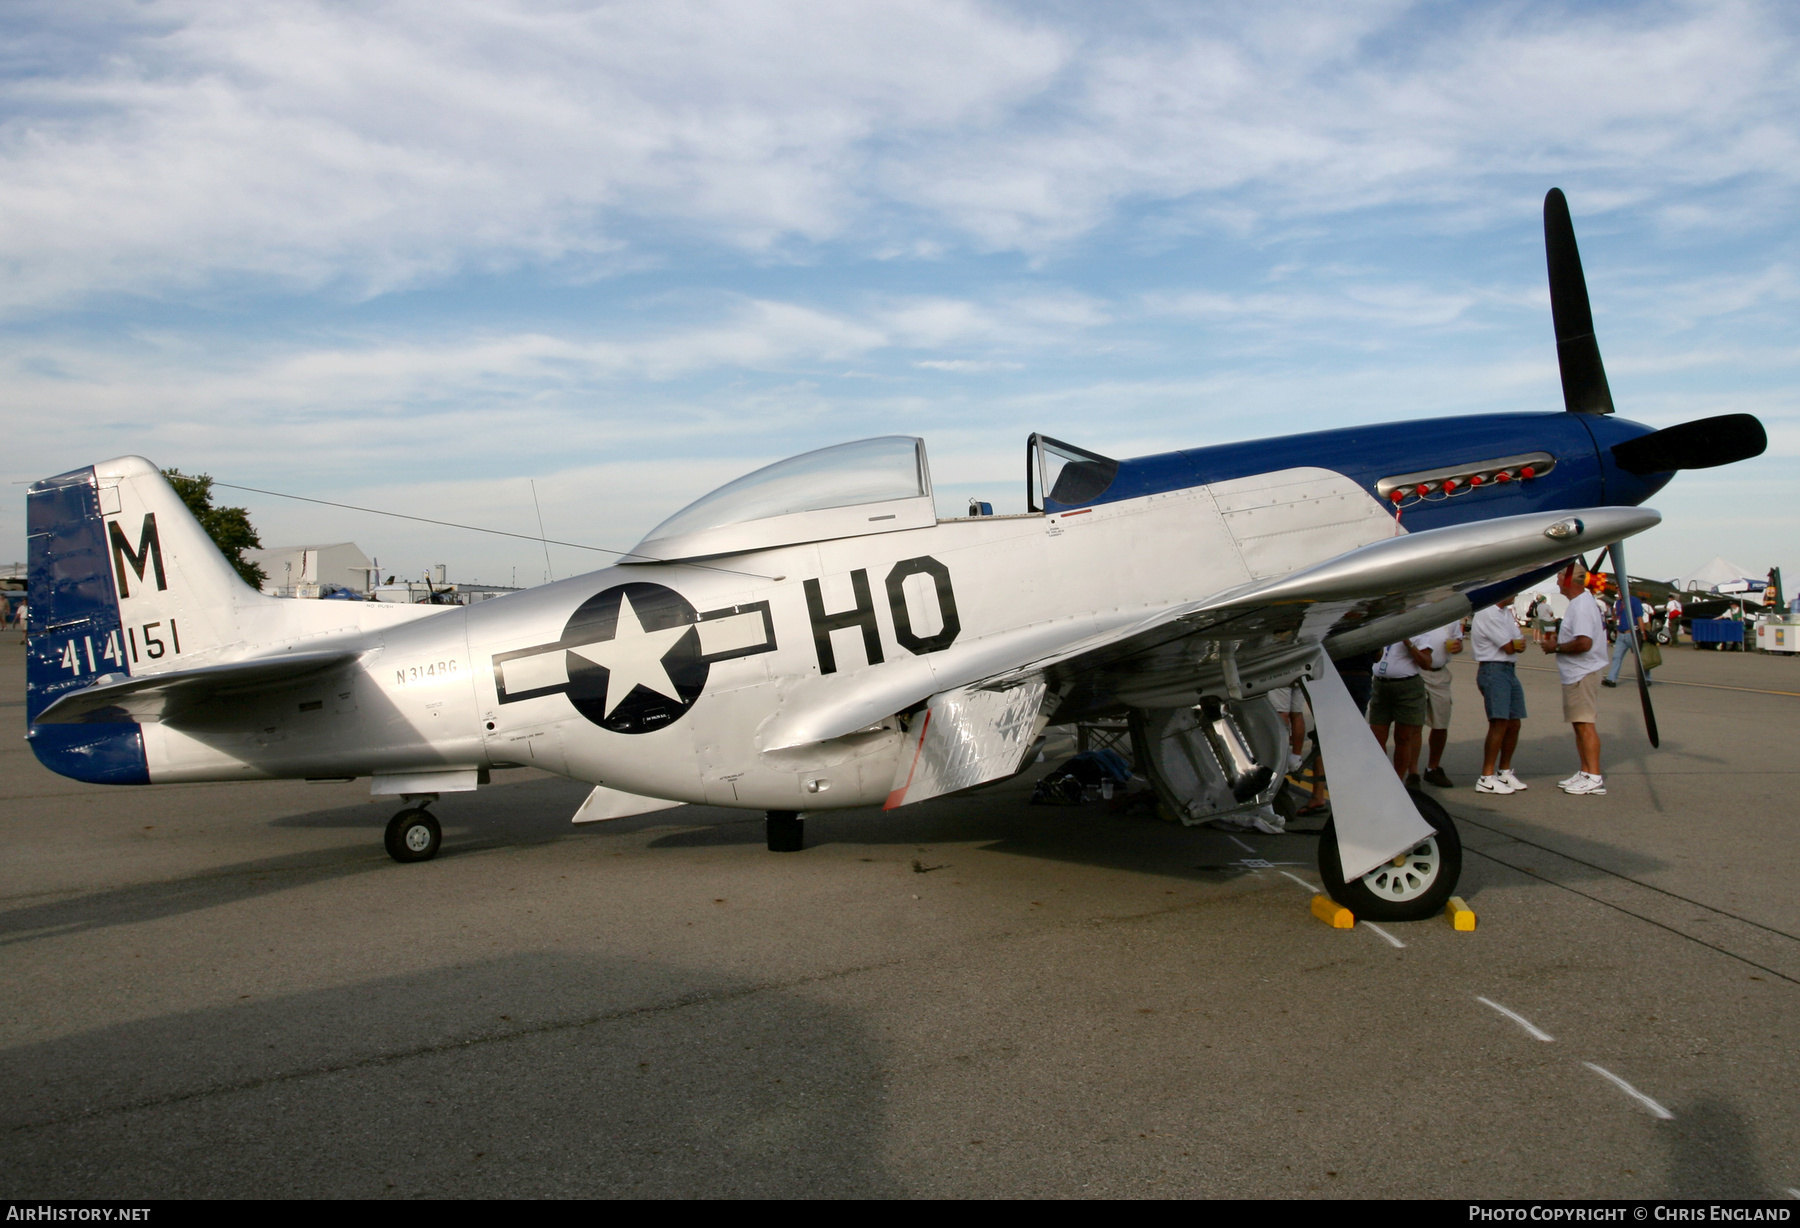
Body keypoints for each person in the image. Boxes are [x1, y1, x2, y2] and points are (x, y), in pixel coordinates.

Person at [1541, 562, 1610, 795]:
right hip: (1577, 672)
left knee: (1585, 724)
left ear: (1570, 580)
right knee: (1579, 725)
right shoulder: (1581, 603)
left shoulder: (1581, 606)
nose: (1558, 581)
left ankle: (1594, 776)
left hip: (1582, 672)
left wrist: (1556, 647)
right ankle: (1585, 771)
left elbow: (1584, 643)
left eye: (1560, 576)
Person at [1470, 599, 1529, 793]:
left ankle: (1504, 771)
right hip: (1493, 669)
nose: (1516, 595)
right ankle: (1486, 776)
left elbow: (1519, 641)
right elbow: (1510, 646)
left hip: (1508, 669)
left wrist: (1516, 643)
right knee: (1499, 722)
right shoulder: (1488, 612)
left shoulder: (1505, 613)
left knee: (1514, 722)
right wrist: (1515, 644)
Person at [1369, 633, 1434, 787]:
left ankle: (1397, 782)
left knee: (1403, 737)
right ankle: (1381, 776)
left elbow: (1426, 663)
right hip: (1380, 686)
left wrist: (1408, 643)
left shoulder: (1418, 631)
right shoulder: (1385, 627)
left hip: (1407, 687)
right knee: (1376, 736)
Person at [1417, 620, 1463, 787]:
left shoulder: (1450, 616)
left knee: (1441, 724)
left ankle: (1432, 768)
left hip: (1440, 673)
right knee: (1413, 725)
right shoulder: (1419, 610)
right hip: (1417, 672)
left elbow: (1459, 641)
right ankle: (1411, 772)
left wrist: (1458, 646)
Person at [1603, 590, 1653, 687]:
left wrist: (1643, 634)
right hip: (1621, 635)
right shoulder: (1617, 603)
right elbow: (1618, 618)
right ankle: (1611, 679)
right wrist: (1617, 632)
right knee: (1616, 657)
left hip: (1633, 633)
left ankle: (1646, 678)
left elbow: (1639, 618)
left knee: (1641, 658)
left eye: (1620, 592)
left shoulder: (1634, 601)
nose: (1619, 595)